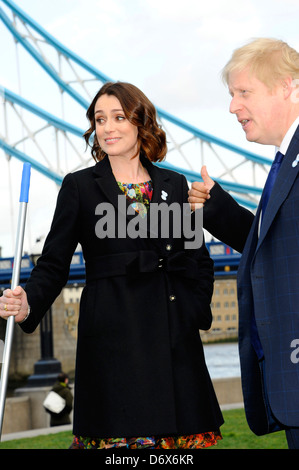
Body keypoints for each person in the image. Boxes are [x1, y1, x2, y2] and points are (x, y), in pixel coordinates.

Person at [0, 81, 223, 449]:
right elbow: (54, 265)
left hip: (174, 347)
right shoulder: (79, 187)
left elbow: (198, 259)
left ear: (141, 123)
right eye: (99, 119)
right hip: (113, 347)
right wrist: (27, 303)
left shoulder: (175, 184)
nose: (108, 127)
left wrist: (193, 311)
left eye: (119, 117)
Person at [188, 38, 299, 449]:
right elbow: (276, 250)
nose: (232, 107)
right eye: (232, 94)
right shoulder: (285, 160)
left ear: (289, 87)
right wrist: (218, 209)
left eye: (243, 93)